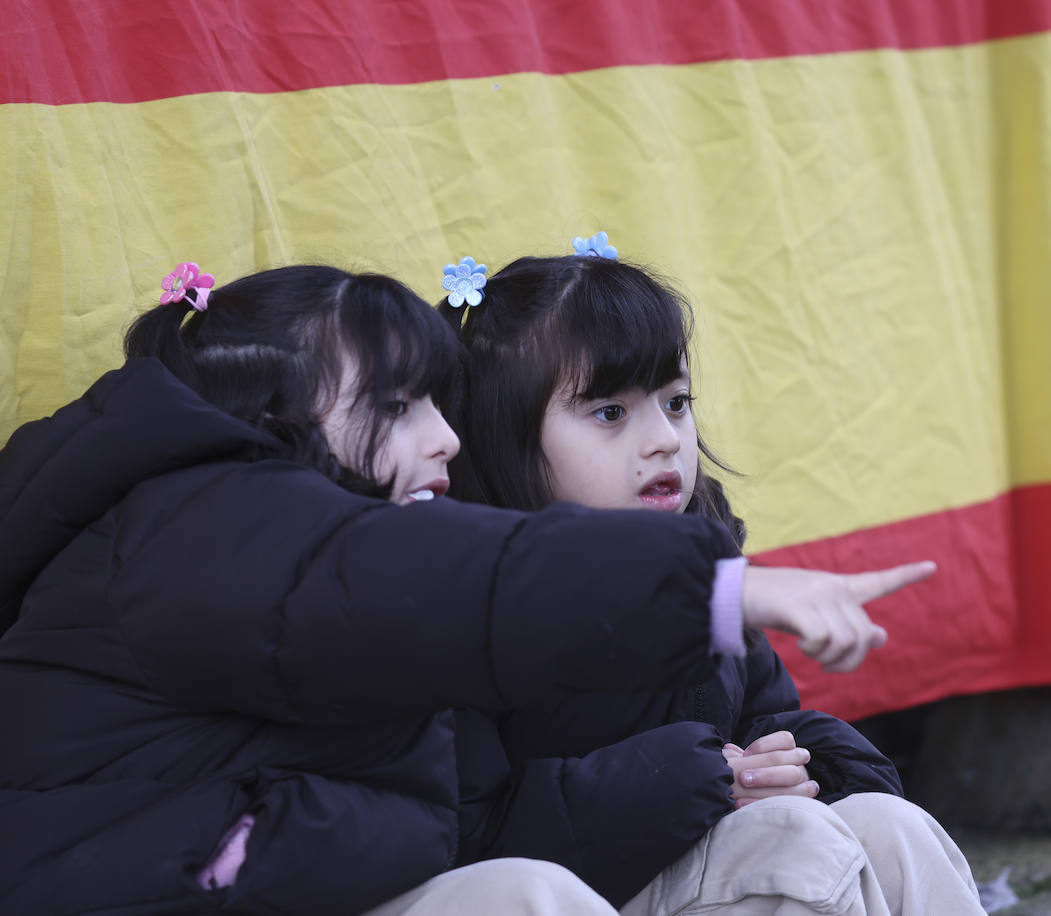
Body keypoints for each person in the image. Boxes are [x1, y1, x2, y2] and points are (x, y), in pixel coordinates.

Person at [0, 262, 931, 915]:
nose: (443, 438)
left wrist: (818, 771)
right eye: (398, 408)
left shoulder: (348, 558)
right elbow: (490, 609)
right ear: (282, 417)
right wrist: (721, 613)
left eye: (676, 404)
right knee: (520, 896)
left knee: (875, 828)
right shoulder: (202, 530)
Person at [439, 239, 986, 915]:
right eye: (611, 413)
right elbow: (473, 838)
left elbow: (767, 717)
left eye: (675, 401)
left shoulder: (711, 565)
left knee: (890, 827)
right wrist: (702, 777)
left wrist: (801, 768)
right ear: (505, 442)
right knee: (794, 844)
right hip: (573, 893)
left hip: (695, 857)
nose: (665, 437)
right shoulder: (463, 611)